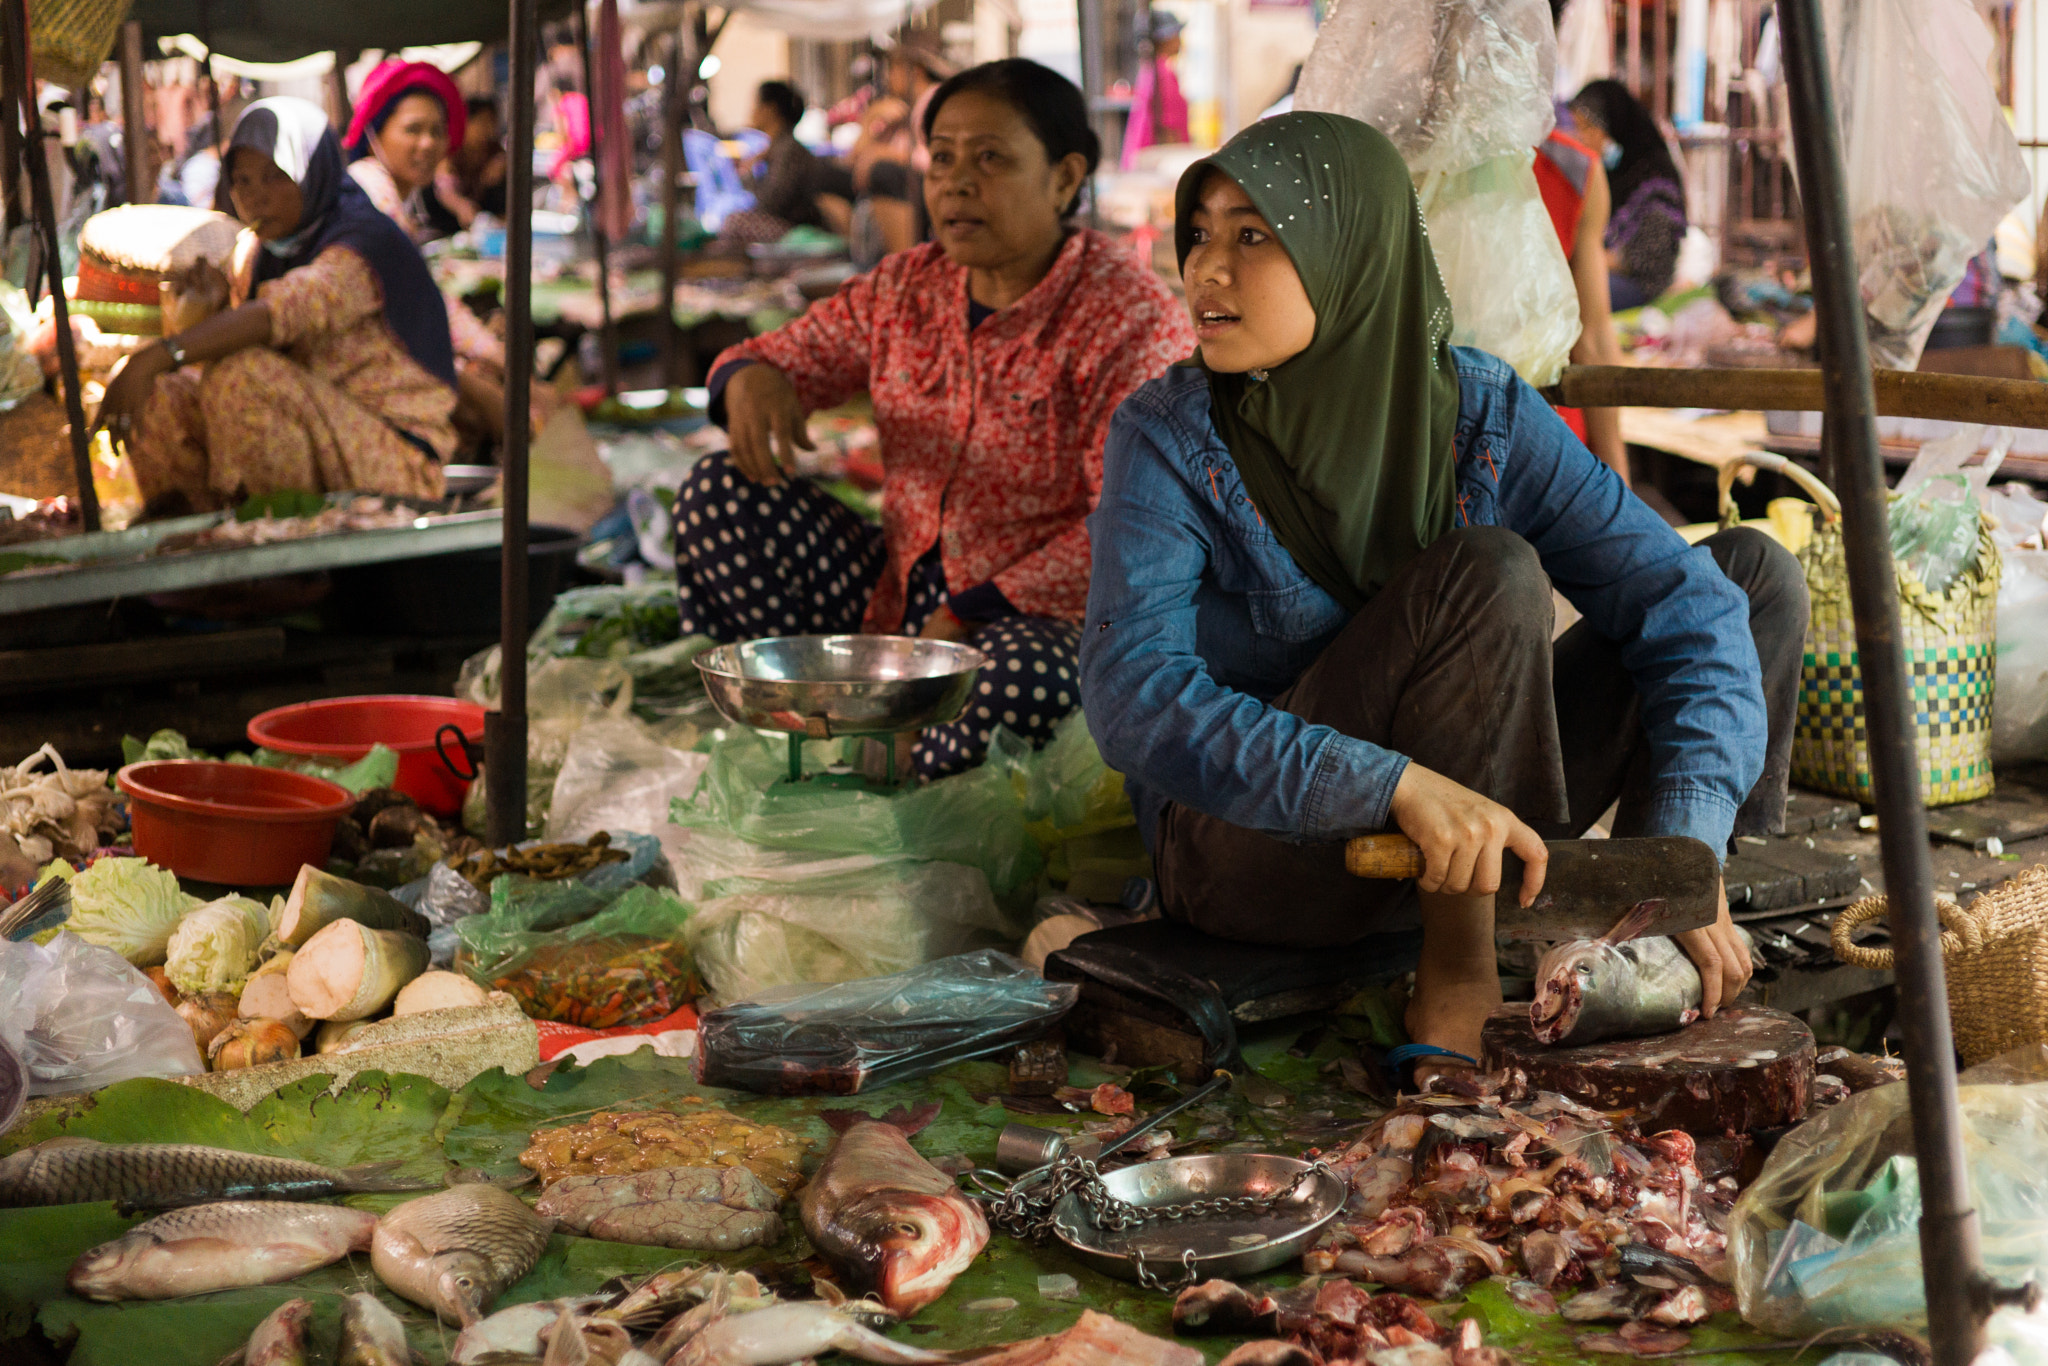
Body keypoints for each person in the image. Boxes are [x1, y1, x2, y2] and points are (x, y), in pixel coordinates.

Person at [1079, 114, 1802, 1083]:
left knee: (1747, 576)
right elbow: (1131, 696)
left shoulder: (1478, 411)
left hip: (1477, 830)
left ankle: (1648, 932)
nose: (1205, 269)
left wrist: (1681, 848)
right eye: (1199, 232)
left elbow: (1689, 606)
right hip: (1262, 857)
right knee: (1488, 575)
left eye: (1252, 235)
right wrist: (1388, 784)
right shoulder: (1166, 437)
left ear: (1355, 254)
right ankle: (1455, 966)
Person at [674, 59, 1197, 777]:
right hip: (899, 601)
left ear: (1066, 178)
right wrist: (749, 375)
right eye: (942, 157)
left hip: (1043, 619)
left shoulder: (1129, 317)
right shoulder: (909, 285)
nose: (955, 182)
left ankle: (897, 783)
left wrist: (973, 609)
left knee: (1011, 683)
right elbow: (790, 353)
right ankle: (812, 740)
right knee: (717, 495)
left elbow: (1132, 531)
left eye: (990, 158)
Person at [97, 99, 453, 514]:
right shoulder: (257, 252)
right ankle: (202, 533)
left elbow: (281, 314)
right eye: (242, 181)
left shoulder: (363, 244)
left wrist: (157, 355)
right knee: (165, 394)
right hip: (317, 434)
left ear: (312, 172)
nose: (257, 198)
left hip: (396, 457)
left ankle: (280, 549)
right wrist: (209, 312)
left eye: (275, 177)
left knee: (240, 378)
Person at [344, 60, 515, 446]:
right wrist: (490, 369)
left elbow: (426, 298)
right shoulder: (374, 191)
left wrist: (495, 355)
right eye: (412, 129)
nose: (427, 144)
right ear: (375, 129)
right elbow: (418, 308)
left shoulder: (388, 193)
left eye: (437, 132)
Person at [1534, 121, 1630, 483]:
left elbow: (1592, 338)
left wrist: (1618, 484)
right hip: (1432, 454)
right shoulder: (1402, 156)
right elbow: (1593, 338)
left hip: (1550, 451)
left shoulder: (1575, 171)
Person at [1568, 79, 1687, 310]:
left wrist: (1587, 260)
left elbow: (1646, 257)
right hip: (1597, 270)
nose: (1579, 137)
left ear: (1612, 127)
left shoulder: (1655, 178)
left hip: (1641, 285)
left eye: (1587, 127)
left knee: (1570, 298)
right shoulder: (1603, 172)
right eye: (1576, 126)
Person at [721, 81, 826, 246]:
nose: (752, 111)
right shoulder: (778, 148)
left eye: (756, 104)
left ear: (770, 109)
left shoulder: (788, 150)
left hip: (796, 229)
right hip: (788, 224)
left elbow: (770, 205)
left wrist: (747, 171)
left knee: (734, 222)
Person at [425, 95, 509, 234]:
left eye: (492, 122)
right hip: (446, 230)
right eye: (482, 122)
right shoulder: (451, 151)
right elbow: (445, 187)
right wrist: (460, 206)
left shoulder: (495, 154)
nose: (488, 130)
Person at [1122, 10, 1191, 170]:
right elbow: (1169, 127)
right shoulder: (1162, 74)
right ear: (1164, 39)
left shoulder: (1151, 70)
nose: (1180, 42)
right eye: (1176, 35)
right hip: (1155, 162)